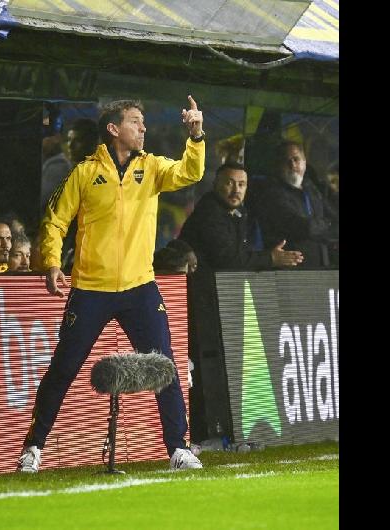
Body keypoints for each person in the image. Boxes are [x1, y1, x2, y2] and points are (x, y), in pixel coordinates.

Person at [18, 96, 207, 473]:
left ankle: (178, 449)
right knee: (64, 368)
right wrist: (52, 262)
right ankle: (33, 448)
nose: (143, 127)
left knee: (164, 366)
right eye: (136, 121)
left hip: (140, 287)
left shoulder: (152, 167)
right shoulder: (85, 173)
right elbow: (55, 220)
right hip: (91, 288)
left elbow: (190, 172)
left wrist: (196, 136)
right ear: (113, 128)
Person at [178, 161, 304, 270]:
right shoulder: (208, 213)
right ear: (215, 185)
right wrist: (270, 258)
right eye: (229, 183)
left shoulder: (239, 212)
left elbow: (241, 255)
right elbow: (227, 259)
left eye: (241, 184)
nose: (236, 190)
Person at [254, 141, 338, 269]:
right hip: (291, 269)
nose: (292, 165)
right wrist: (328, 224)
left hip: (320, 266)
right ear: (278, 165)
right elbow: (304, 227)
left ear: (304, 162)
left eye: (296, 159)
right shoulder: (272, 194)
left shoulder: (311, 188)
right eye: (286, 161)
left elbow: (333, 217)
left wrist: (326, 225)